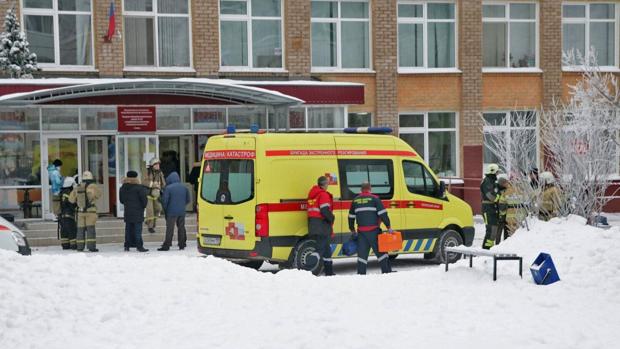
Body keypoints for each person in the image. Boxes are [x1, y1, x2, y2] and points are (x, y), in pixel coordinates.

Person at [348, 181, 393, 275]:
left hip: (361, 233)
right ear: (370, 188)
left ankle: (361, 274)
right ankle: (386, 272)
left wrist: (352, 229)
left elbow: (351, 216)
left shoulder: (355, 200)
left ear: (361, 189)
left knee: (362, 256)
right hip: (374, 231)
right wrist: (388, 226)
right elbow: (383, 214)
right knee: (381, 253)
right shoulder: (375, 199)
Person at [306, 176, 335, 276]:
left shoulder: (313, 195)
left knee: (327, 250)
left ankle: (329, 272)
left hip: (314, 225)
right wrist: (332, 218)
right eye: (327, 184)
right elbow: (325, 210)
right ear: (325, 184)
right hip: (322, 225)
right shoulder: (323, 195)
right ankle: (307, 270)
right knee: (319, 250)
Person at [69, 171, 101, 252]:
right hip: (91, 212)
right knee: (90, 229)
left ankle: (80, 247)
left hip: (80, 212)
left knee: (80, 230)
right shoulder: (93, 186)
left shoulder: (78, 186)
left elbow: (71, 199)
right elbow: (99, 195)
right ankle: (91, 247)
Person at [158, 171, 190, 251]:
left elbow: (165, 201)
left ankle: (167, 245)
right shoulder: (184, 187)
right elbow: (188, 200)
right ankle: (182, 244)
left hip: (171, 212)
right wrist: (182, 206)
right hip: (182, 212)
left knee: (170, 229)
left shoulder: (168, 188)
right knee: (181, 227)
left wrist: (165, 209)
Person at [119, 171, 149, 252]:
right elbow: (144, 201)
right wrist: (143, 206)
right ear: (136, 178)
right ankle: (139, 246)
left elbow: (121, 200)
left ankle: (127, 246)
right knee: (137, 230)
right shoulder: (139, 188)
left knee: (128, 229)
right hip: (138, 212)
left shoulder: (122, 188)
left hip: (128, 211)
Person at [496, 175, 522, 244]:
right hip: (521, 218)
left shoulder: (506, 192)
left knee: (509, 237)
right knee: (520, 236)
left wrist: (502, 215)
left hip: (509, 218)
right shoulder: (523, 190)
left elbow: (501, 206)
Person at [143, 157, 166, 233]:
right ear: (152, 165)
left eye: (158, 164)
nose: (158, 166)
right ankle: (150, 226)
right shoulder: (147, 172)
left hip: (156, 193)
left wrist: (161, 186)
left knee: (158, 209)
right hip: (148, 194)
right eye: (156, 164)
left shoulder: (160, 173)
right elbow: (143, 182)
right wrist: (153, 184)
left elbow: (163, 183)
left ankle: (151, 222)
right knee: (150, 211)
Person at [480, 163, 500, 249]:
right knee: (490, 230)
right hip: (488, 208)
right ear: (492, 172)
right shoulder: (487, 181)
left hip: (492, 208)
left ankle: (490, 248)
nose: (497, 174)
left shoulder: (492, 181)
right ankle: (486, 249)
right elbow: (491, 197)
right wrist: (499, 196)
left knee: (494, 229)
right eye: (496, 172)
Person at [59, 176, 77, 250]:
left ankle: (65, 245)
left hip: (62, 216)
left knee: (64, 231)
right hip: (69, 215)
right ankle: (73, 245)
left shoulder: (62, 192)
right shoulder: (69, 193)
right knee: (72, 230)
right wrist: (75, 206)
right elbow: (71, 203)